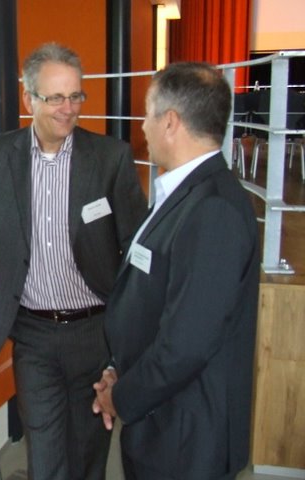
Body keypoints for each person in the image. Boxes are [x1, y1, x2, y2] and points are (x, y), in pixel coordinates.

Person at [0, 42, 147, 480]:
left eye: (76, 96)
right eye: (55, 98)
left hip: (95, 332)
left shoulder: (110, 157)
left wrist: (128, 339)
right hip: (33, 334)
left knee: (88, 456)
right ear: (28, 98)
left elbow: (133, 248)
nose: (68, 109)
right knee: (45, 458)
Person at [92, 62, 260, 480]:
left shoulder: (214, 209)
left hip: (184, 439)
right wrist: (118, 368)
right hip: (161, 422)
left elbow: (186, 346)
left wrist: (120, 397)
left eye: (147, 114)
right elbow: (155, 300)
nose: (142, 126)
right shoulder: (186, 191)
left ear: (170, 122)